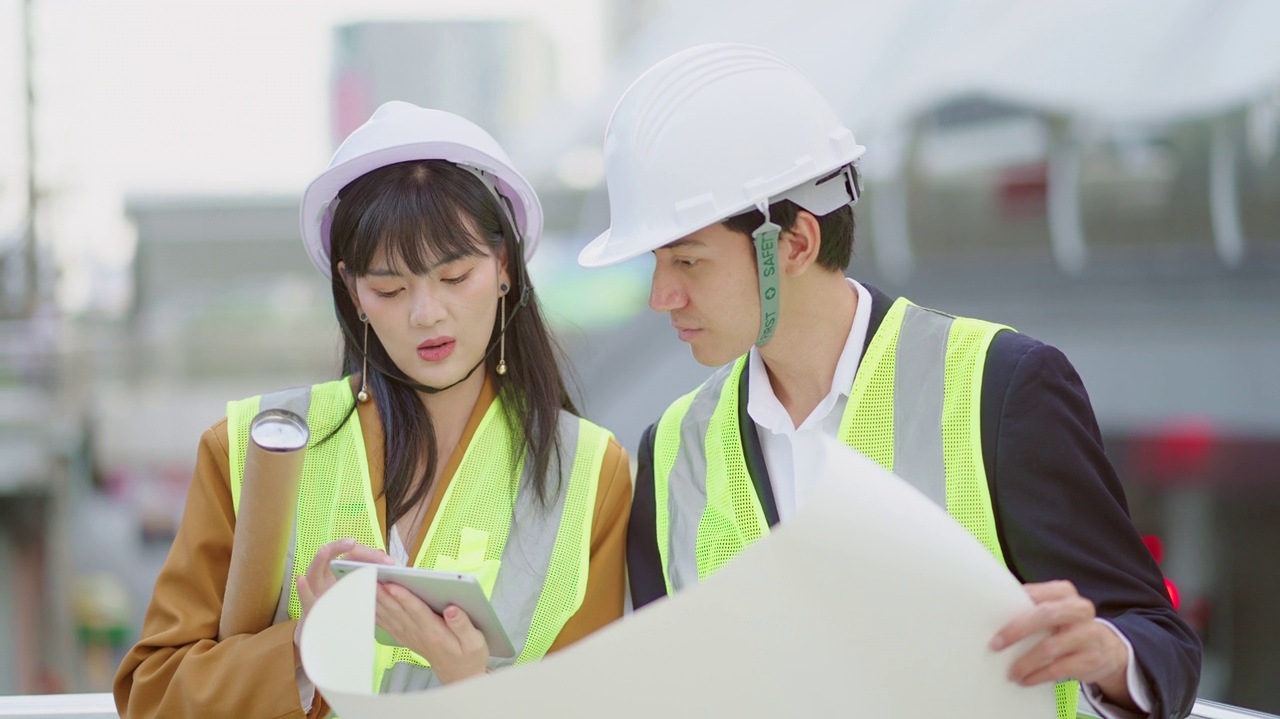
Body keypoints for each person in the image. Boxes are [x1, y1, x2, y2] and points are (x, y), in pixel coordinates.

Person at [578, 44, 1200, 719]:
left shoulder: (1003, 389)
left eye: (688, 261)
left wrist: (1110, 654)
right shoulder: (671, 452)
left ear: (793, 244)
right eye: (657, 263)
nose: (661, 295)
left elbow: (1155, 636)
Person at [115, 101, 632, 719]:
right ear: (352, 292)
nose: (425, 314)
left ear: (504, 268)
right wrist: (304, 649)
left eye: (454, 276)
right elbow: (151, 695)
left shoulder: (591, 474)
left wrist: (470, 683)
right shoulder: (250, 447)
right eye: (390, 289)